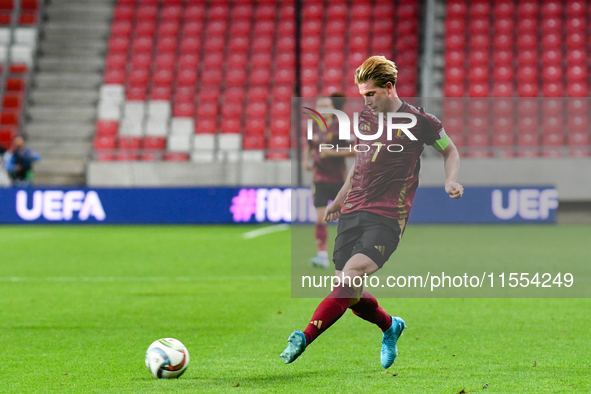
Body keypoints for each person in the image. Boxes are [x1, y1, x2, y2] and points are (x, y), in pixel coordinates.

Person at [281, 56, 463, 368]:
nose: (365, 101)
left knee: (350, 278)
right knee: (349, 293)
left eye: (370, 94)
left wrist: (451, 179)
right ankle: (391, 326)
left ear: (389, 88)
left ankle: (304, 336)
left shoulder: (421, 122)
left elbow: (450, 150)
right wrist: (339, 199)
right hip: (354, 210)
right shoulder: (366, 119)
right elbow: (360, 164)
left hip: (389, 216)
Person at [302, 92, 353, 268]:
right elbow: (309, 146)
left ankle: (348, 254)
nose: (322, 109)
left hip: (340, 180)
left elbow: (356, 150)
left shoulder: (342, 127)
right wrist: (306, 160)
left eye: (326, 106)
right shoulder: (313, 126)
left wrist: (332, 152)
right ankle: (322, 255)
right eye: (320, 105)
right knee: (320, 218)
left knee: (347, 219)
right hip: (320, 179)